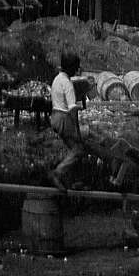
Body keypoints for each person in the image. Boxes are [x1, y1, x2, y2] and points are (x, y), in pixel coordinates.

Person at [49, 52, 88, 190]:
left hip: (55, 116)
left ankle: (72, 181)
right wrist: (77, 131)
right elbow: (72, 109)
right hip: (64, 118)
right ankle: (58, 173)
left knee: (74, 149)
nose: (77, 70)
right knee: (79, 149)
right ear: (71, 68)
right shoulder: (68, 84)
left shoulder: (57, 79)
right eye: (76, 67)